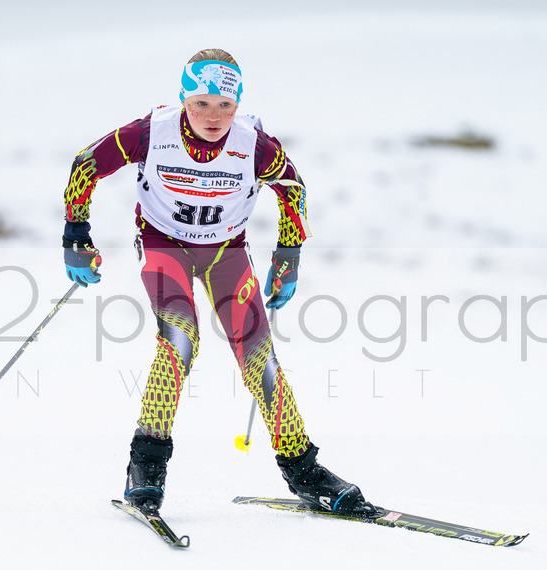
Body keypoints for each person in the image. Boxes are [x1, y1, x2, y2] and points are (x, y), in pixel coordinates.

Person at [61, 48, 375, 516]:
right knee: (181, 340)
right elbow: (87, 164)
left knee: (258, 356)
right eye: (202, 102)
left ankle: (304, 471)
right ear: (184, 99)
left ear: (238, 104)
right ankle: (145, 465)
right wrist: (76, 233)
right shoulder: (152, 132)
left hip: (225, 251)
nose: (213, 116)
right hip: (164, 244)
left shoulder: (255, 144)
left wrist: (288, 254)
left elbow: (293, 189)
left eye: (225, 105)